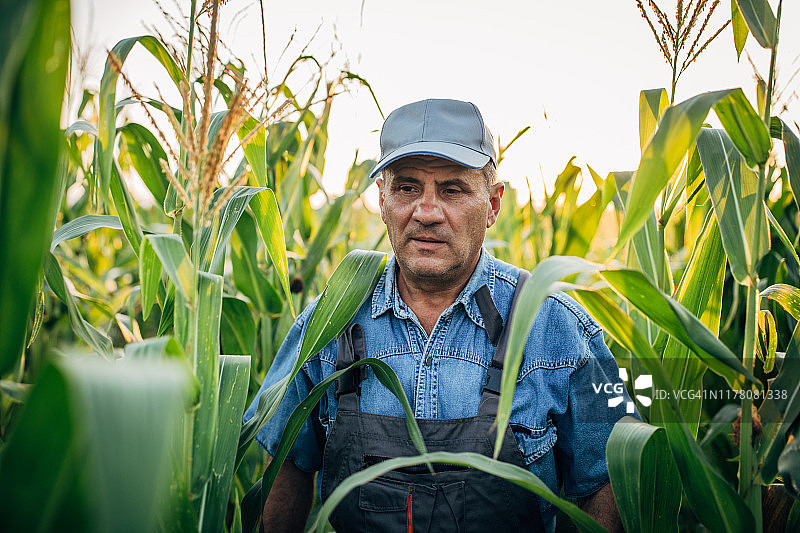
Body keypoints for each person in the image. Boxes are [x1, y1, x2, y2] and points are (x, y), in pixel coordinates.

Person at [243, 98, 635, 533]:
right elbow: (287, 469)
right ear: (382, 199)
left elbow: (605, 483)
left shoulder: (555, 328)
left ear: (492, 204)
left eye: (452, 189)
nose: (426, 212)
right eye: (408, 188)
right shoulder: (328, 324)